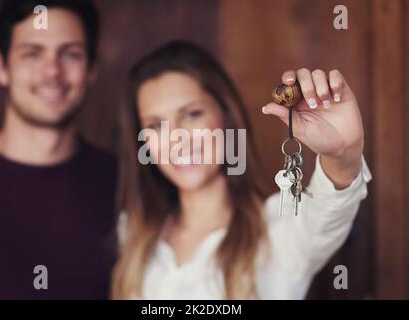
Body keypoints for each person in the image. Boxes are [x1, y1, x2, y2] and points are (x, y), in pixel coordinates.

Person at [111, 41, 372, 299]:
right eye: (156, 126)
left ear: (225, 115)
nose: (176, 140)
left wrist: (341, 156)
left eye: (192, 114)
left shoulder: (281, 232)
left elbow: (329, 210)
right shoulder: (135, 233)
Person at [0, 0, 117, 299]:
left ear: (91, 69)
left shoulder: (128, 185)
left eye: (70, 54)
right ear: (1, 67)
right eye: (32, 53)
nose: (52, 71)